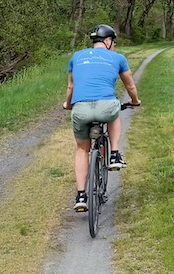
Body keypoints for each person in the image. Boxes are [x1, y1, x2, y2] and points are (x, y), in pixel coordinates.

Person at [62, 24, 141, 212]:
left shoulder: (77, 57)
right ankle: (114, 154)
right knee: (114, 110)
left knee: (82, 149)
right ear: (107, 41)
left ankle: (81, 195)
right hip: (105, 107)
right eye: (112, 42)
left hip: (80, 109)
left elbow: (71, 88)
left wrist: (68, 104)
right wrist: (135, 101)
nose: (113, 46)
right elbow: (130, 87)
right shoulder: (118, 58)